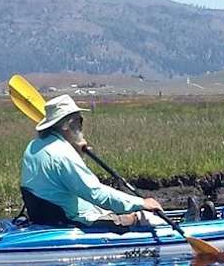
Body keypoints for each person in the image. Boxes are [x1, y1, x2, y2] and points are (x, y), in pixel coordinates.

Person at [19, 92, 164, 229]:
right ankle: (137, 218)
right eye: (79, 121)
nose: (81, 126)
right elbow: (95, 194)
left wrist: (75, 151)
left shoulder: (34, 145)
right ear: (66, 126)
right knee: (137, 217)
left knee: (112, 209)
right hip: (70, 219)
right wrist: (141, 203)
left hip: (43, 215)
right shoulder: (63, 155)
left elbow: (63, 179)